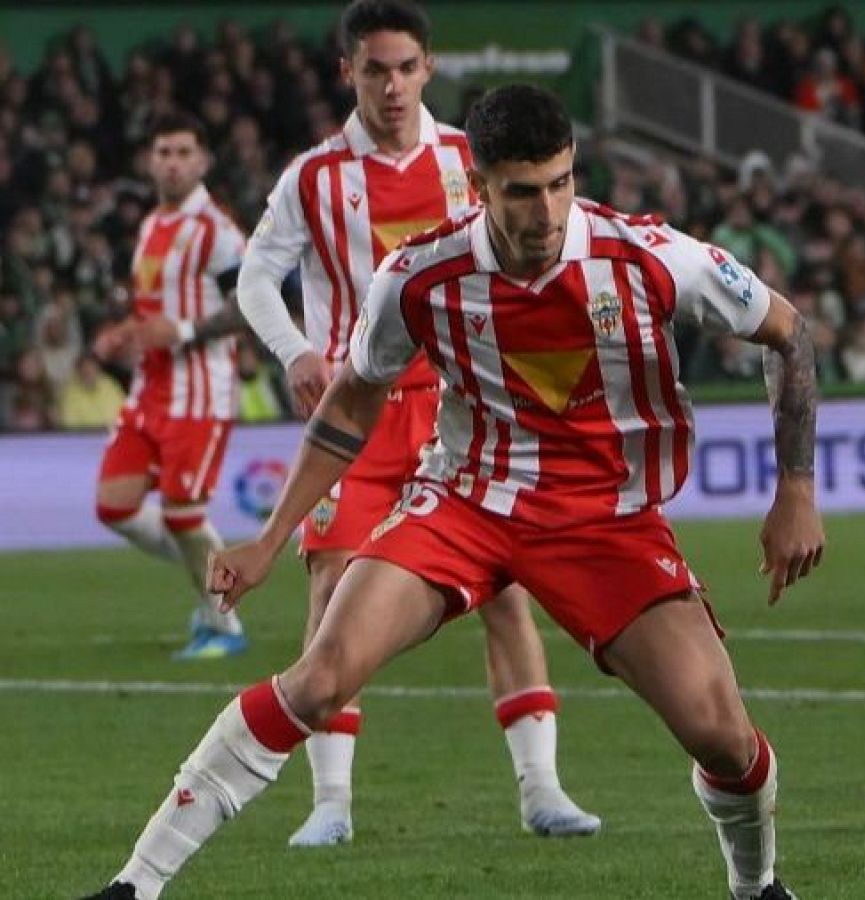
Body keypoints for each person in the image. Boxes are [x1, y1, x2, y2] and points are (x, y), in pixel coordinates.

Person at [82, 83, 822, 900]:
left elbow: (790, 336)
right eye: (521, 192)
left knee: (720, 736)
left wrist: (795, 488)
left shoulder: (650, 256)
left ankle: (756, 890)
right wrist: (267, 538)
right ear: (479, 187)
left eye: (559, 184)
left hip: (604, 521)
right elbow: (353, 399)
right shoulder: (419, 277)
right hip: (466, 501)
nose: (545, 212)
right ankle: (133, 886)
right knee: (320, 674)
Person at [235, 0, 597, 846]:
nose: (392, 86)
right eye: (374, 70)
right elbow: (256, 278)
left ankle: (542, 789)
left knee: (504, 591)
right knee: (330, 592)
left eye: (405, 68)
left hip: (460, 411)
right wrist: (294, 351)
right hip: (358, 414)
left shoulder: (468, 161)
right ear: (348, 73)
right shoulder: (314, 177)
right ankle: (331, 804)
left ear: (428, 68)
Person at [91, 112, 251, 660]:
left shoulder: (218, 231)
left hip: (199, 390)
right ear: (150, 160)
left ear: (203, 161)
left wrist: (183, 331)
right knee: (114, 505)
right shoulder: (153, 224)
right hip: (149, 388)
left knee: (184, 514)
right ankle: (215, 569)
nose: (173, 162)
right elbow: (155, 309)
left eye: (184, 152)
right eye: (164, 152)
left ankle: (223, 623)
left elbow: (251, 304)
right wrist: (125, 333)